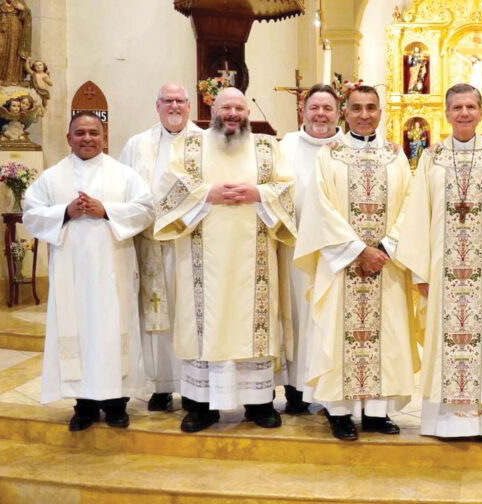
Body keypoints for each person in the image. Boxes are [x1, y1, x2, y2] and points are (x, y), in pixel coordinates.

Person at [392, 83, 482, 442]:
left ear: (481, 111)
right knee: (446, 342)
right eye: (457, 107)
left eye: (471, 106)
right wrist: (421, 270)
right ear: (446, 112)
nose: (464, 113)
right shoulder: (432, 157)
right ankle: (446, 423)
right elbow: (418, 215)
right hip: (443, 272)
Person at [155, 87, 296, 433]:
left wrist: (258, 193)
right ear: (211, 109)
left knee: (254, 326)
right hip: (202, 262)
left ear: (247, 112)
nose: (233, 113)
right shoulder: (188, 148)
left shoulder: (267, 148)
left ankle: (259, 403)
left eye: (239, 108)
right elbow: (168, 190)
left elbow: (288, 188)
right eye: (226, 107)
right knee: (204, 326)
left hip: (256, 259)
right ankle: (201, 406)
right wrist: (208, 194)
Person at [294, 85, 415, 440]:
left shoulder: (396, 156)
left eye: (371, 108)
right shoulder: (329, 155)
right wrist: (358, 251)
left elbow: (411, 205)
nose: (364, 114)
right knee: (336, 332)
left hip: (386, 265)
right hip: (341, 265)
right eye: (357, 108)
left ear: (381, 112)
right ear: (345, 113)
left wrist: (387, 247)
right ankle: (340, 412)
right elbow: (320, 209)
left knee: (386, 336)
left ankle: (377, 413)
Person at [24, 112, 153, 431]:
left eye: (94, 132)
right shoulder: (53, 177)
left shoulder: (124, 175)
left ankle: (116, 404)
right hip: (73, 276)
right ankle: (83, 406)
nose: (87, 138)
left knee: (113, 331)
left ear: (104, 137)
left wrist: (106, 210)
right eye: (80, 133)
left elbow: (146, 209)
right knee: (78, 333)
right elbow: (31, 213)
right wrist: (65, 212)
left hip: (114, 272)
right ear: (69, 138)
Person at [119, 83, 204, 413]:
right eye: (167, 101)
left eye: (180, 101)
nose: (174, 106)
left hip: (191, 244)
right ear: (156, 106)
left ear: (189, 106)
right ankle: (161, 385)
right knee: (156, 315)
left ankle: (194, 385)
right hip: (150, 244)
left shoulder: (204, 143)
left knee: (190, 314)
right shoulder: (136, 145)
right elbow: (125, 189)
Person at [277, 83, 343, 416]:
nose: (320, 114)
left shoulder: (348, 148)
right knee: (297, 318)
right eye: (314, 107)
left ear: (338, 113)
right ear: (303, 111)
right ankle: (295, 391)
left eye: (327, 108)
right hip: (293, 248)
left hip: (336, 253)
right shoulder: (285, 146)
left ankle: (332, 391)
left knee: (329, 321)